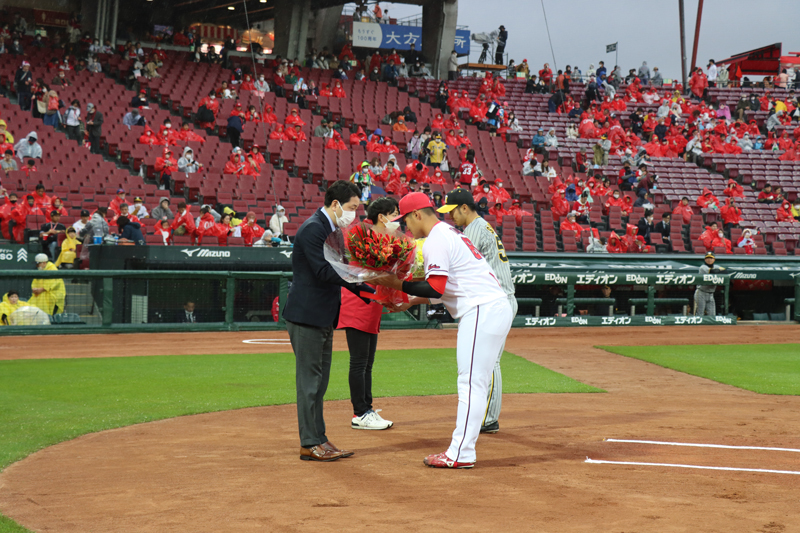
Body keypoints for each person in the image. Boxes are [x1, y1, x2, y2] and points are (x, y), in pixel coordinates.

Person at [372, 192, 512, 469]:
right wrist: (410, 300)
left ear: (417, 214)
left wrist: (395, 284)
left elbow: (435, 287)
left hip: (482, 310)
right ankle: (463, 451)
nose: (405, 227)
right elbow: (447, 287)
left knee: (471, 383)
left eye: (405, 220)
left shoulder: (437, 238)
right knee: (475, 382)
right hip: (490, 307)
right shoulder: (450, 232)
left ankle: (460, 453)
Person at [283, 181, 375, 462]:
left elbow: (335, 269)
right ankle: (309, 443)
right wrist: (359, 281)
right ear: (335, 204)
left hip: (321, 316)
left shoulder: (330, 229)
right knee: (310, 382)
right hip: (307, 316)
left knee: (319, 383)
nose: (354, 215)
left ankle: (319, 438)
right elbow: (324, 271)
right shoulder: (314, 228)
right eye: (351, 208)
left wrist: (365, 282)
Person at [438, 188, 516, 435]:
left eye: (452, 211)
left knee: (490, 361)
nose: (450, 216)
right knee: (488, 361)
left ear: (464, 208)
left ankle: (488, 418)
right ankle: (487, 416)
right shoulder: (482, 226)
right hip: (498, 298)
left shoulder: (472, 230)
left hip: (496, 300)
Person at [338, 198, 399, 431]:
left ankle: (366, 409)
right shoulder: (360, 232)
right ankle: (360, 412)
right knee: (359, 362)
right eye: (394, 214)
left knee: (367, 363)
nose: (398, 219)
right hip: (358, 301)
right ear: (382, 216)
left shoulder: (384, 237)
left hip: (372, 303)